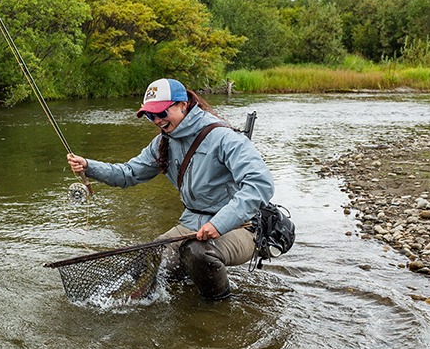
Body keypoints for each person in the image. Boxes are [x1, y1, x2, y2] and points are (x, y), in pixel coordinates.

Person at [66, 78, 274, 300]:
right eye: (150, 115)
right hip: (192, 224)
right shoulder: (162, 143)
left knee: (196, 253)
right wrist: (89, 166)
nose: (156, 120)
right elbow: (128, 174)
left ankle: (218, 307)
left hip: (243, 228)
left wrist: (220, 223)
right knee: (146, 262)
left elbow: (260, 184)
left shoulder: (223, 137)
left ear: (183, 105)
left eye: (161, 112)